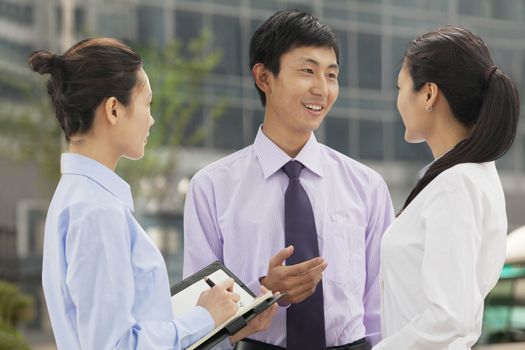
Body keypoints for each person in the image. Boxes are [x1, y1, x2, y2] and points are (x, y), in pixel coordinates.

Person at [31, 38, 276, 350]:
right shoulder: (96, 210)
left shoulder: (78, 198)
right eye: (147, 104)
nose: (152, 118)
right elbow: (116, 345)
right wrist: (203, 317)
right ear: (114, 109)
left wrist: (222, 325)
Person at [183, 10, 394, 350]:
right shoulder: (211, 187)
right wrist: (263, 290)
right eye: (307, 71)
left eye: (331, 75)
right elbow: (199, 315)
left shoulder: (367, 187)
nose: (321, 89)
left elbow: (381, 307)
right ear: (264, 78)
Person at [374, 26, 519, 349]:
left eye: (400, 87)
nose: (398, 100)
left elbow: (451, 317)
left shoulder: (457, 184)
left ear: (428, 94)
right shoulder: (468, 176)